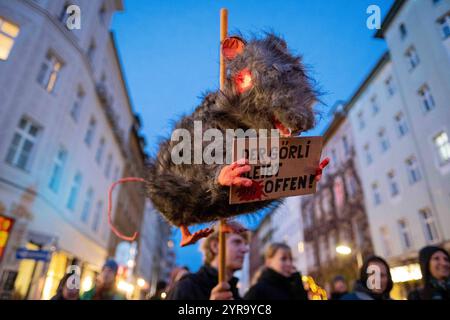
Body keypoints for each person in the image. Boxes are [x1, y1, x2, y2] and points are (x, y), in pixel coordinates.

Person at [168, 225, 249, 300]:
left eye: (245, 244)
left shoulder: (235, 294)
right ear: (215, 246)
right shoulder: (187, 287)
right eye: (237, 242)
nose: (245, 249)